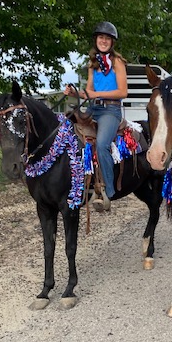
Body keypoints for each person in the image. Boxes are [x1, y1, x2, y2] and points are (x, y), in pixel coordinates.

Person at [64, 21, 128, 210]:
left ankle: (108, 191)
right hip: (94, 108)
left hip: (111, 110)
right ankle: (76, 183)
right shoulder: (93, 64)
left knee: (101, 144)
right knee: (69, 132)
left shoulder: (117, 63)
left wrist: (96, 95)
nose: (104, 41)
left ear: (112, 42)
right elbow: (89, 92)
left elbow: (123, 92)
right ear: (96, 40)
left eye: (107, 38)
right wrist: (76, 93)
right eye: (101, 37)